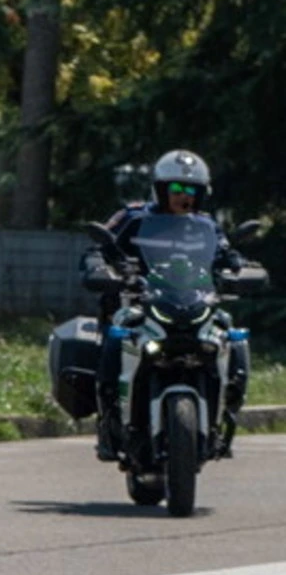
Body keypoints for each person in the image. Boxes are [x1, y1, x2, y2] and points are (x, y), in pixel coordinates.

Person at [82, 149, 249, 461]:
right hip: (140, 303)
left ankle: (228, 412)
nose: (183, 196)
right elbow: (98, 247)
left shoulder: (207, 226)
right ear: (160, 189)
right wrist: (99, 265)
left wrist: (237, 264)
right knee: (116, 335)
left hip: (194, 302)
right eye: (176, 189)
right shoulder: (132, 217)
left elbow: (226, 254)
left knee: (232, 334)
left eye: (191, 190)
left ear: (202, 194)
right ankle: (108, 421)